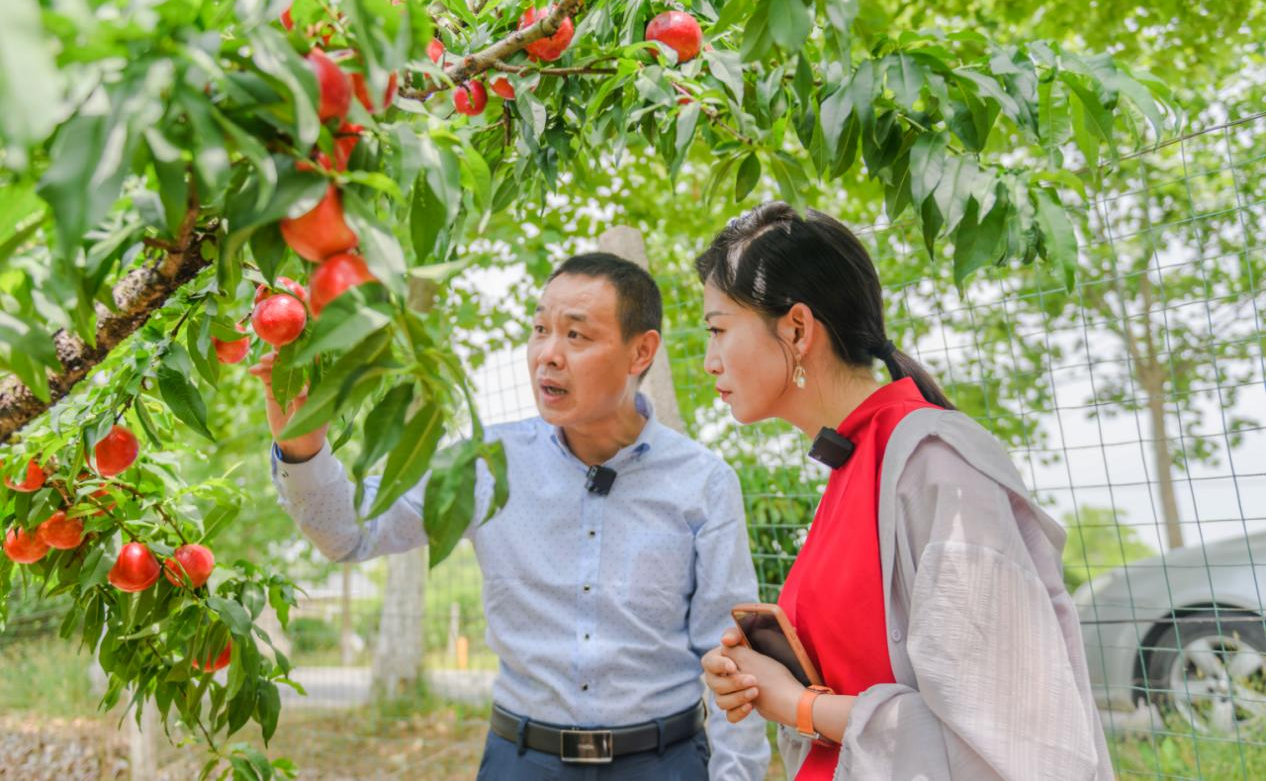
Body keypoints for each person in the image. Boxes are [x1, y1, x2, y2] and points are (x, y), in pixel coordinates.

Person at [253, 252, 770, 780]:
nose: (548, 354)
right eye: (540, 329)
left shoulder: (702, 482)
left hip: (664, 763)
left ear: (642, 351)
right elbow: (348, 533)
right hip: (522, 761)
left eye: (576, 336)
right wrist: (302, 446)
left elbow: (733, 657)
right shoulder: (483, 463)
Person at [695, 202, 1112, 780]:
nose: (709, 362)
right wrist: (757, 677)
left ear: (796, 328)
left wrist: (797, 705)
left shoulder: (934, 465)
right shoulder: (856, 464)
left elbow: (1008, 728)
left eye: (717, 330)